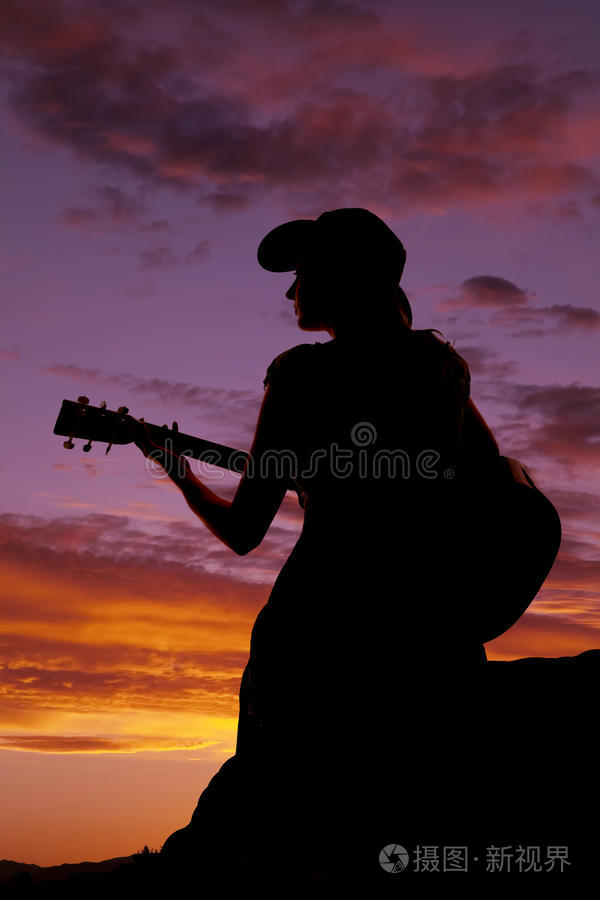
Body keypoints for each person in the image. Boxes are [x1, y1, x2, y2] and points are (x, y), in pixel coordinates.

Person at [131, 208, 502, 888]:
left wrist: (179, 471)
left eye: (301, 272)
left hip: (316, 632)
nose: (289, 290)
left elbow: (246, 529)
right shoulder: (442, 366)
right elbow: (494, 489)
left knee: (284, 834)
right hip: (431, 629)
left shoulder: (300, 373)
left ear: (340, 278)